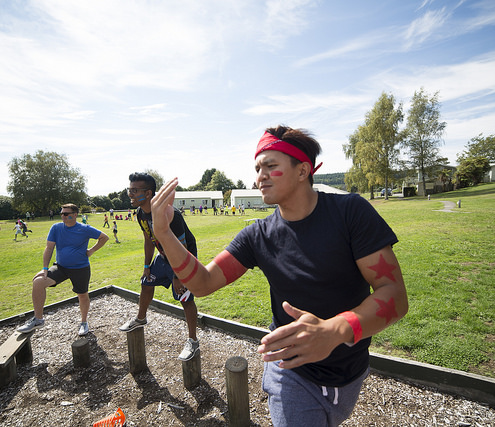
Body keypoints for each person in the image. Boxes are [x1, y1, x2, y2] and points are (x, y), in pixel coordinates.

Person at [149, 126, 408, 426]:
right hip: (290, 373)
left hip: (350, 371)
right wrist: (164, 233)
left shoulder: (351, 213)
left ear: (303, 171)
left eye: (271, 166)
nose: (260, 176)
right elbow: (203, 282)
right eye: (257, 169)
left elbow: (394, 295)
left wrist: (334, 331)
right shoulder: (257, 236)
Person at [119, 172, 200, 361]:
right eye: (129, 189)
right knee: (146, 282)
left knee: (185, 298)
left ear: (148, 193)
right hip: (163, 256)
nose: (130, 194)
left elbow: (182, 248)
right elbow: (149, 239)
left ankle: (193, 341)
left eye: (134, 190)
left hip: (183, 259)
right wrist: (147, 265)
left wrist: (178, 276)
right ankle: (140, 318)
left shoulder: (170, 214)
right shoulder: (140, 213)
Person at [17, 203, 109, 336]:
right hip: (61, 267)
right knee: (38, 282)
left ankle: (84, 322)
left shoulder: (84, 229)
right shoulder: (56, 228)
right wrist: (45, 268)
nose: (63, 216)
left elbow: (104, 237)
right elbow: (49, 248)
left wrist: (91, 250)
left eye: (66, 214)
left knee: (82, 295)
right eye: (61, 213)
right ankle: (38, 319)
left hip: (80, 268)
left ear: (75, 215)